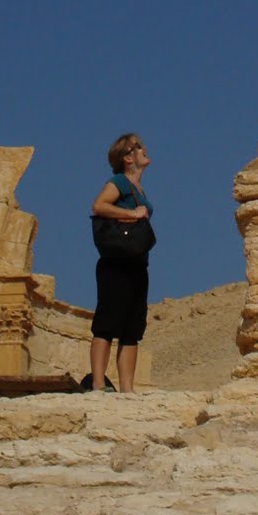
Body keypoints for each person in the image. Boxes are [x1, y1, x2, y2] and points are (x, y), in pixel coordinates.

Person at [86, 133, 153, 393]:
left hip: (137, 262)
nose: (144, 148)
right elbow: (98, 205)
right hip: (116, 262)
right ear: (128, 158)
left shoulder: (138, 189)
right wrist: (131, 214)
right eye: (138, 146)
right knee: (107, 322)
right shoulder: (119, 182)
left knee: (132, 328)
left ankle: (127, 389)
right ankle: (99, 384)